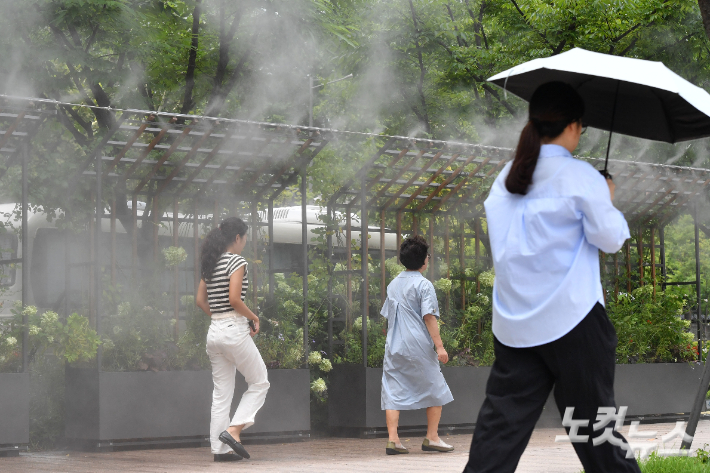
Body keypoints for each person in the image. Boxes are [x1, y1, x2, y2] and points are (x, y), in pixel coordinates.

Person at [464, 82, 639, 473]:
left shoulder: (508, 176)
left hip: (515, 326)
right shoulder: (581, 177)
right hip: (574, 321)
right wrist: (606, 198)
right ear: (574, 126)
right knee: (596, 435)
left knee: (499, 433)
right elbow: (609, 239)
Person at [196, 217, 270, 463]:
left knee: (221, 394)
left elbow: (200, 301)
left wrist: (218, 317)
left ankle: (220, 450)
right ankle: (233, 430)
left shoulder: (210, 262)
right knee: (259, 382)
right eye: (245, 238)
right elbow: (235, 299)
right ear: (237, 237)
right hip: (233, 330)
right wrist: (254, 317)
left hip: (214, 331)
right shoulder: (236, 261)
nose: (245, 243)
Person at [381, 235, 455, 456]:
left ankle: (393, 440)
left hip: (394, 343)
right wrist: (440, 347)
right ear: (424, 260)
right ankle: (431, 438)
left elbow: (387, 315)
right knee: (436, 387)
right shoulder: (424, 284)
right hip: (417, 344)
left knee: (392, 387)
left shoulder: (393, 284)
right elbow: (429, 317)